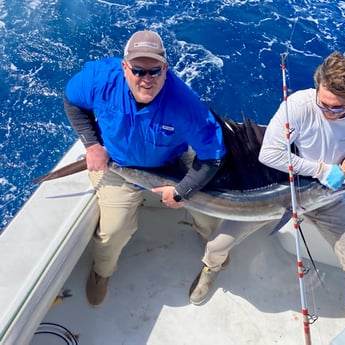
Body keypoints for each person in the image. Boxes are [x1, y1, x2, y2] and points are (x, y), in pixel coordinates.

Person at [63, 30, 226, 307]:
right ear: (124, 67)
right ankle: (103, 272)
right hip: (118, 166)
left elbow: (213, 156)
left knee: (211, 212)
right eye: (138, 70)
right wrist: (91, 145)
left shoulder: (185, 104)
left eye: (155, 71)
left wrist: (183, 190)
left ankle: (215, 251)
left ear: (166, 69)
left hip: (171, 166)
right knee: (113, 232)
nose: (147, 79)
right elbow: (72, 101)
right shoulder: (99, 80)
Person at [258, 52, 345, 323]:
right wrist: (322, 170)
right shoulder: (297, 104)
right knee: (221, 243)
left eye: (337, 108)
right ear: (317, 85)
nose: (329, 113)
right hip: (284, 190)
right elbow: (269, 155)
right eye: (324, 105)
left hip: (327, 196)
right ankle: (210, 266)